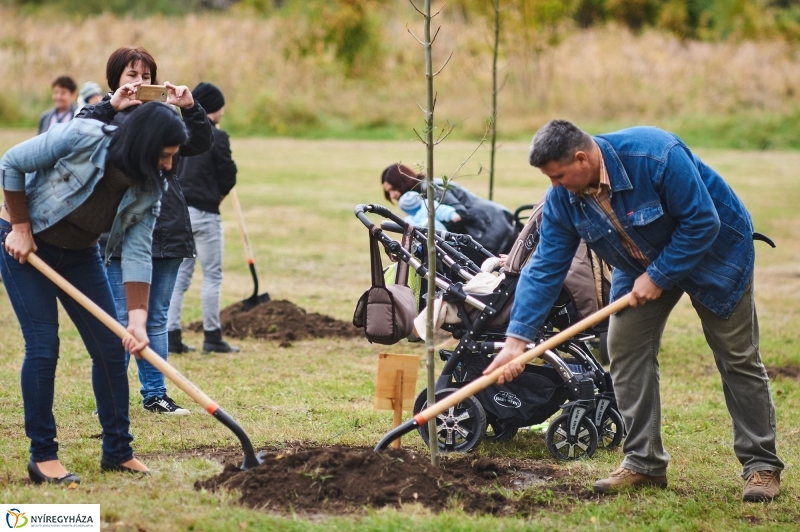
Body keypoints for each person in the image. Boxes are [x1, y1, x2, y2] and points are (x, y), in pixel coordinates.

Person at [484, 120, 783, 502]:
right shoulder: (564, 198)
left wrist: (659, 275)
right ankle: (644, 464)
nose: (555, 186)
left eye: (558, 176)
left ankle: (761, 465)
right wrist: (516, 340)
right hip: (639, 264)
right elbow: (545, 266)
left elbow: (702, 221)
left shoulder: (655, 155)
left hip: (715, 254)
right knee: (624, 351)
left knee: (736, 357)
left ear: (581, 157)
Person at [0, 102, 188, 484]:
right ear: (144, 144)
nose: (169, 165)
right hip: (26, 245)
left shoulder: (151, 185)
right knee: (43, 346)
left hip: (80, 253)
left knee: (110, 348)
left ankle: (118, 451)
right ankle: (43, 457)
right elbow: (12, 162)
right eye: (164, 156)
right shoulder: (82, 137)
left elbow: (137, 250)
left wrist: (137, 321)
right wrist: (19, 228)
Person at [77, 46, 214, 415]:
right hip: (118, 234)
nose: (140, 83)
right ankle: (111, 395)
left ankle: (155, 394)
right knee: (120, 319)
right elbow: (76, 130)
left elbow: (201, 142)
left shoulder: (163, 118)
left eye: (146, 76)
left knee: (155, 318)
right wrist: (111, 105)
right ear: (115, 81)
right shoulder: (106, 117)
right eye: (131, 76)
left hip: (167, 229)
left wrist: (189, 107)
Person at [167, 82, 240, 354]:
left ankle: (172, 335)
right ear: (212, 107)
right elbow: (228, 175)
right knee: (212, 276)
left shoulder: (179, 130)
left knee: (180, 276)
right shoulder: (216, 136)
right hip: (206, 214)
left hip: (180, 212)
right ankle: (212, 336)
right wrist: (218, 196)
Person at [380, 164, 516, 256]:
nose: (392, 196)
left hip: (491, 228)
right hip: (489, 226)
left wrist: (435, 226)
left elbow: (460, 214)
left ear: (402, 182)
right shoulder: (419, 197)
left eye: (393, 189)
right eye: (388, 192)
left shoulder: (430, 189)